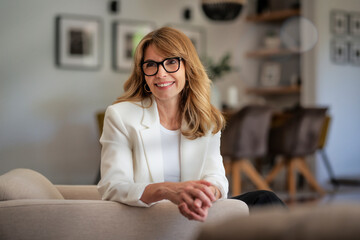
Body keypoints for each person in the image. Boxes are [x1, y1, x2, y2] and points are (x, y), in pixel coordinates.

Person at [98, 27, 285, 222]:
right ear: (143, 73)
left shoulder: (206, 119)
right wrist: (167, 190)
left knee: (265, 200)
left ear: (187, 67)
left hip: (196, 214)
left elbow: (217, 178)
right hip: (151, 217)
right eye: (151, 65)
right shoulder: (121, 116)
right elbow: (112, 186)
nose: (160, 73)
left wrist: (205, 196)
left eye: (171, 62)